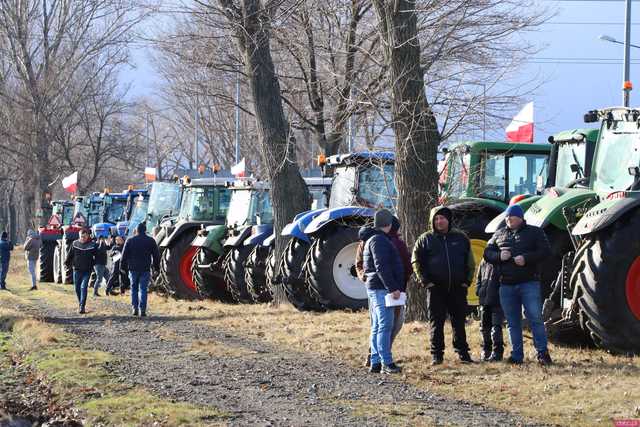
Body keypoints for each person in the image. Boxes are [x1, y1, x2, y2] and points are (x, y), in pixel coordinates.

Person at [483, 204, 553, 365]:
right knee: (512, 322)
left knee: (535, 318)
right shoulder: (499, 234)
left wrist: (526, 258)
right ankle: (516, 355)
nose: (508, 219)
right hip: (506, 285)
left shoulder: (535, 232)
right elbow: (487, 253)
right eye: (507, 217)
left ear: (520, 218)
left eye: (511, 217)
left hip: (529, 283)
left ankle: (542, 353)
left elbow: (546, 252)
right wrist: (499, 255)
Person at [412, 206, 475, 365]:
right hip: (435, 289)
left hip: (457, 288)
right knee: (436, 322)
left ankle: (463, 353)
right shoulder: (425, 239)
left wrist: (466, 281)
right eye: (436, 218)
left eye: (443, 218)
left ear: (449, 220)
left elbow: (470, 261)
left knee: (459, 321)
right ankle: (437, 355)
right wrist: (426, 281)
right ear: (432, 221)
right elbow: (416, 261)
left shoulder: (461, 238)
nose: (439, 221)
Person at [357, 216, 411, 367]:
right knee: (385, 325)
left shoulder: (374, 239)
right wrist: (393, 288)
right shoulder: (379, 240)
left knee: (377, 326)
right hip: (382, 289)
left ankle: (375, 361)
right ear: (389, 224)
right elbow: (382, 267)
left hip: (377, 287)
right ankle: (386, 362)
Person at [121, 223, 160, 317]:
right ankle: (142, 309)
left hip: (133, 268)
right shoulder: (150, 241)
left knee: (134, 288)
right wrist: (156, 268)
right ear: (145, 230)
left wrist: (122, 268)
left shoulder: (130, 240)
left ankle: (134, 308)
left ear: (136, 230)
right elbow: (156, 256)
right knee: (143, 289)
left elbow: (124, 255)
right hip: (145, 268)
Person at [476, 258, 504, 362]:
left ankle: (497, 351)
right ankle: (486, 349)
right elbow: (478, 277)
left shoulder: (501, 259)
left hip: (497, 299)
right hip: (484, 299)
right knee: (484, 326)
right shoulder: (484, 261)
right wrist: (478, 290)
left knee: (496, 327)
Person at [65, 228, 97, 314]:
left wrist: (95, 264)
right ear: (79, 236)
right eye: (82, 236)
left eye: (85, 236)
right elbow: (70, 255)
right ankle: (80, 303)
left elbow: (97, 256)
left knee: (83, 287)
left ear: (88, 236)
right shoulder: (75, 244)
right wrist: (66, 264)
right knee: (77, 288)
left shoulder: (92, 245)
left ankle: (82, 306)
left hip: (87, 270)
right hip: (77, 270)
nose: (83, 238)